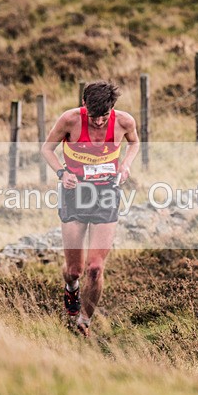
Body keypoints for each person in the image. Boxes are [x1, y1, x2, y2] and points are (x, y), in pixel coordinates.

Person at [42, 81, 139, 337]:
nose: (98, 123)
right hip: (74, 194)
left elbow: (135, 143)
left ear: (113, 108)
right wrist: (62, 173)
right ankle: (71, 288)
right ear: (85, 107)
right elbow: (47, 149)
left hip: (106, 193)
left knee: (95, 268)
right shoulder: (70, 120)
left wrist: (126, 165)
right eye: (94, 117)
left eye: (104, 116)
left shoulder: (124, 121)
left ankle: (84, 320)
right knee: (75, 269)